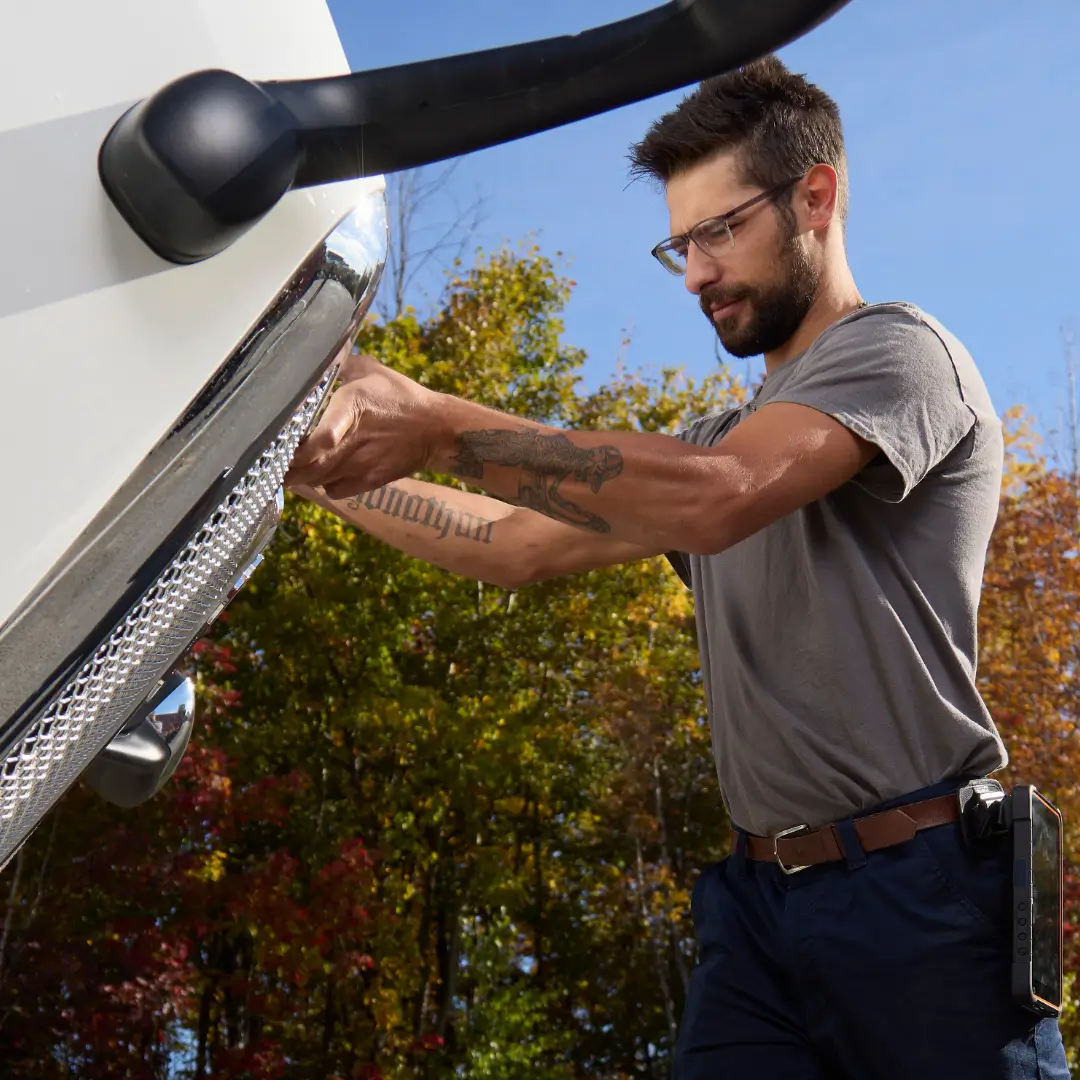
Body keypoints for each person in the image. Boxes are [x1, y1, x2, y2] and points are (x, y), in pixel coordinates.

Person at [285, 55, 1069, 1080]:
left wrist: (434, 422)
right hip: (754, 914)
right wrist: (314, 468)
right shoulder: (708, 442)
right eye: (678, 245)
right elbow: (509, 544)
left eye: (718, 232)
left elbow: (721, 496)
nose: (694, 273)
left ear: (816, 197)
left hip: (918, 899)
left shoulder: (904, 356)